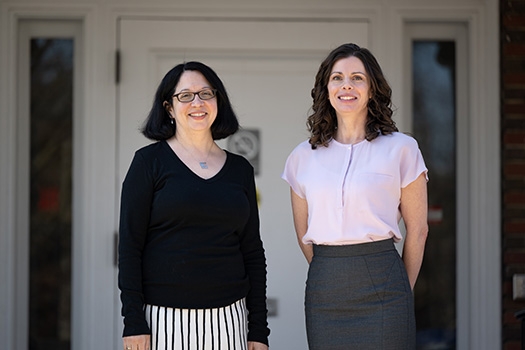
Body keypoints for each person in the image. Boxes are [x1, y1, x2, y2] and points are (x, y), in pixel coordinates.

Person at [281, 43, 428, 349]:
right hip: (325, 291)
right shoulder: (302, 157)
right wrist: (332, 269)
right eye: (337, 77)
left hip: (386, 285)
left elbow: (418, 230)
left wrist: (401, 289)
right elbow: (303, 234)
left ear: (372, 89)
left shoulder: (402, 149)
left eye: (357, 78)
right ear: (326, 88)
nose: (346, 84)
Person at [118, 61, 270, 350]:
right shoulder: (148, 163)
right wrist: (133, 321)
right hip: (163, 320)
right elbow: (129, 248)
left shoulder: (240, 170)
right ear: (169, 108)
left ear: (217, 101)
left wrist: (258, 330)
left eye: (206, 93)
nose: (197, 102)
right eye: (185, 95)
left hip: (230, 319)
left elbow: (252, 252)